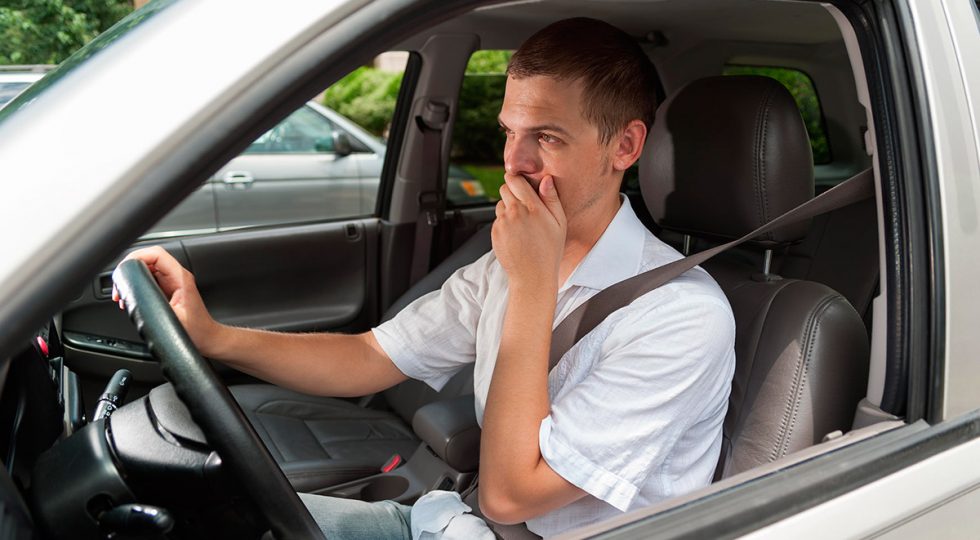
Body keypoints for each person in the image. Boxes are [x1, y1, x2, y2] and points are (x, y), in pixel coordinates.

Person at [116, 17, 735, 539]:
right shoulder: (510, 262)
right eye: (509, 133)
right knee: (204, 520)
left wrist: (531, 283)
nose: (514, 163)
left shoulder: (680, 315)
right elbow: (369, 356)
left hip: (504, 523)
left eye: (546, 137)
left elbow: (512, 496)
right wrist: (214, 338)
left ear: (624, 147)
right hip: (453, 521)